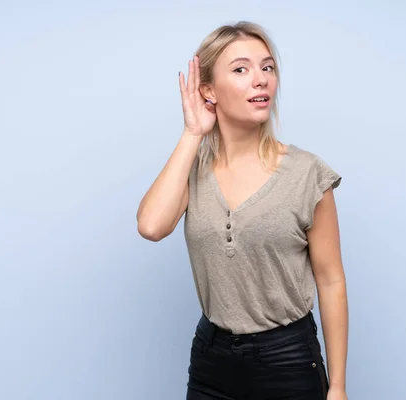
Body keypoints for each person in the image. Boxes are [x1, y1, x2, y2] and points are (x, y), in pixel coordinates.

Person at [136, 21, 349, 400]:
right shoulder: (193, 169)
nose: (261, 79)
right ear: (208, 91)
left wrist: (337, 387)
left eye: (267, 67)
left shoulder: (307, 174)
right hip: (211, 361)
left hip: (288, 361)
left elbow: (331, 281)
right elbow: (151, 226)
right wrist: (192, 134)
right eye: (241, 69)